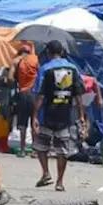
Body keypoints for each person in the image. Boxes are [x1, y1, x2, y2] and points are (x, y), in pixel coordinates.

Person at [32, 41, 84, 192]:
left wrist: (34, 115)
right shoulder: (73, 69)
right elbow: (79, 95)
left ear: (48, 52)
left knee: (42, 146)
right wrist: (81, 115)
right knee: (62, 150)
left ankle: (46, 173)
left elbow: (40, 95)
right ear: (62, 51)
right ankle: (59, 182)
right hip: (65, 115)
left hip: (46, 115)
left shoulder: (45, 69)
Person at [9, 43, 40, 156]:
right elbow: (40, 75)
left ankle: (22, 150)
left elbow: (10, 78)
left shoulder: (16, 60)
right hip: (34, 94)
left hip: (22, 93)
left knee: (22, 123)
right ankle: (35, 150)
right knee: (34, 121)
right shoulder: (35, 60)